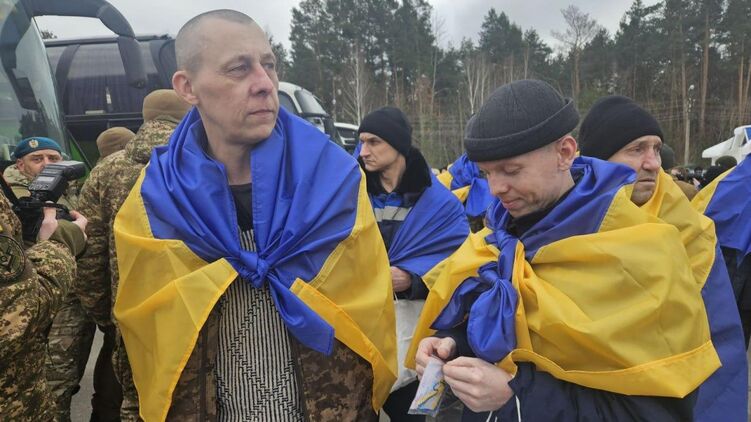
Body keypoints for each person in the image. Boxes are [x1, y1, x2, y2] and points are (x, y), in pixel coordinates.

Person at [112, 10, 396, 421]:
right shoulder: (153, 201)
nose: (264, 83)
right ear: (187, 87)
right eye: (238, 69)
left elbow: (371, 310)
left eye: (269, 65)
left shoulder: (333, 179)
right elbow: (140, 338)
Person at [409, 80, 719, 421]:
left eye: (511, 170)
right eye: (487, 173)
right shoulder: (494, 240)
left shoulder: (643, 253)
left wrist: (518, 396)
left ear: (565, 153)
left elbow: (658, 411)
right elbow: (501, 324)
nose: (495, 189)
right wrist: (452, 344)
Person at [579, 94, 748, 422]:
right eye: (637, 149)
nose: (653, 162)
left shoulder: (692, 234)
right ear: (598, 160)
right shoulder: (560, 226)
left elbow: (719, 348)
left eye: (656, 149)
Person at [75, 89, 191, 421]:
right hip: (194, 307)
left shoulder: (106, 171)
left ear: (145, 117)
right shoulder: (204, 161)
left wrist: (106, 314)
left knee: (134, 401)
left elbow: (89, 253)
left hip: (129, 311)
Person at [357, 106, 468, 421]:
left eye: (374, 142)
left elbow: (460, 265)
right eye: (361, 142)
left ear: (398, 145)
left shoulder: (441, 205)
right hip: (359, 327)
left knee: (412, 414)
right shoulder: (350, 193)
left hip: (417, 332)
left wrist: (413, 280)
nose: (363, 152)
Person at [3, 136, 95, 421]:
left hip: (71, 294)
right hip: (43, 301)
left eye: (53, 158)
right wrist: (65, 237)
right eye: (37, 158)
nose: (46, 164)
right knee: (56, 380)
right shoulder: (13, 197)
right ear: (20, 165)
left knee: (70, 374)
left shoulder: (67, 189)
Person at [693, 155, 751, 350]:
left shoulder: (732, 180)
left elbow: (702, 214)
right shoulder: (734, 179)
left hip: (730, 267)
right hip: (733, 266)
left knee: (729, 334)